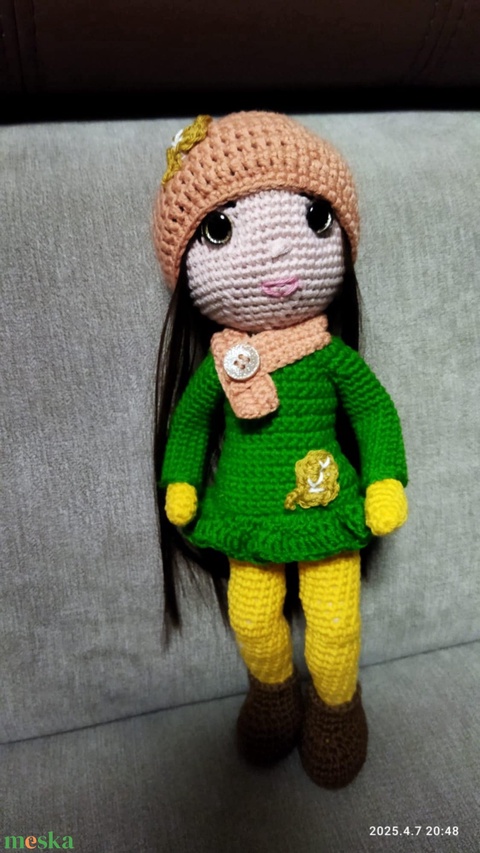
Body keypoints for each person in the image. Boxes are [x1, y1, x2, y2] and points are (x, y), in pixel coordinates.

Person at [153, 111, 408, 788]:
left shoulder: (332, 359)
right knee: (251, 616)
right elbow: (189, 426)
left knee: (334, 624)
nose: (275, 256)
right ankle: (272, 692)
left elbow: (375, 412)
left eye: (314, 219)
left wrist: (385, 478)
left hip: (326, 513)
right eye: (221, 228)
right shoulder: (219, 367)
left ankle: (336, 706)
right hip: (247, 520)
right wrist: (182, 481)